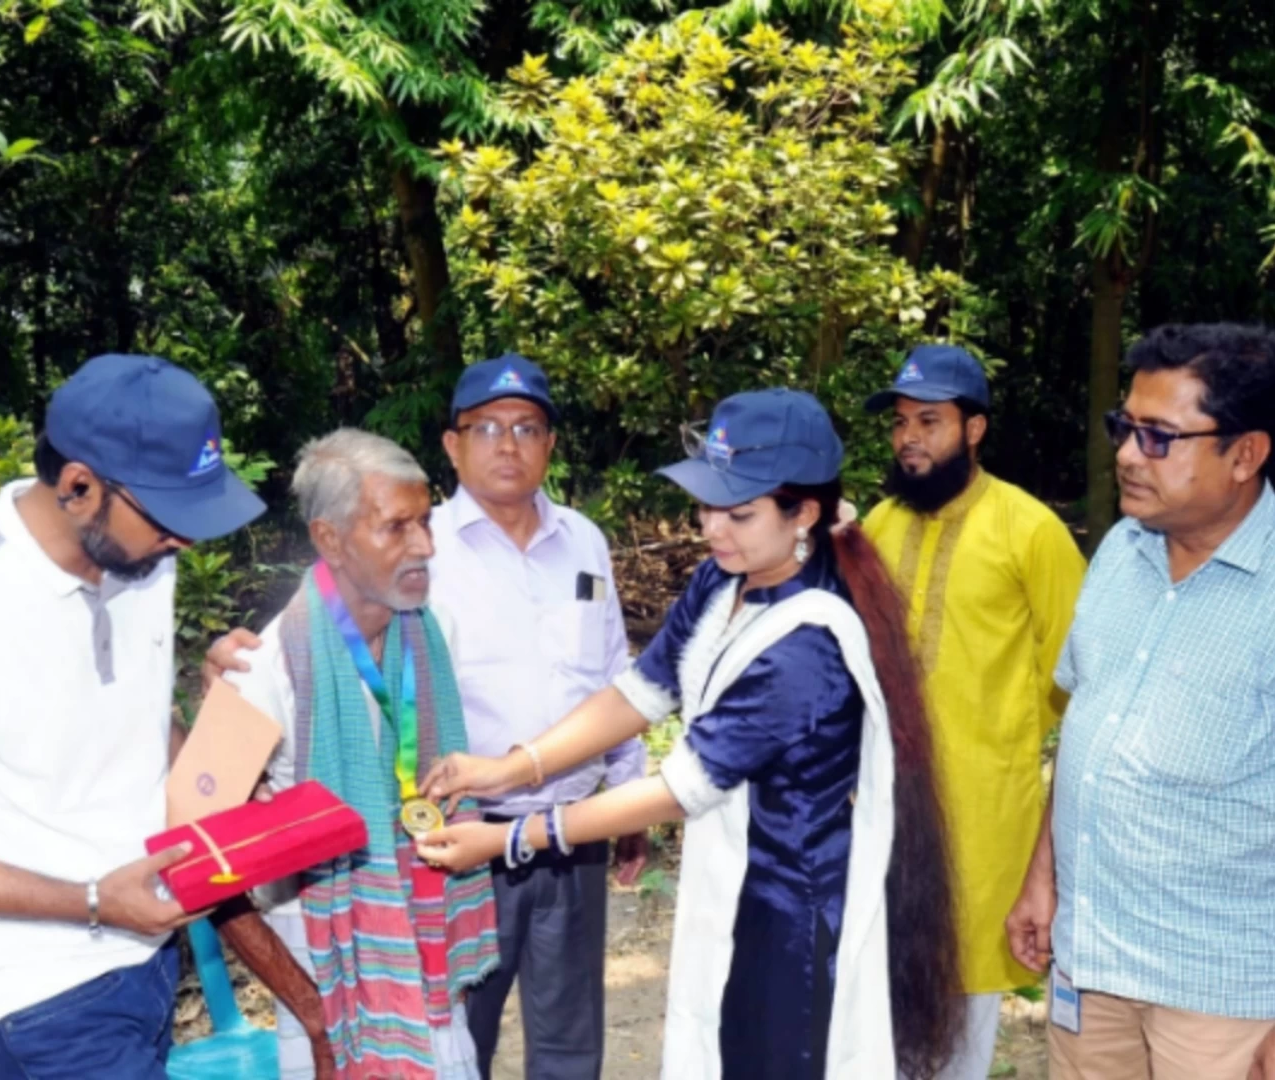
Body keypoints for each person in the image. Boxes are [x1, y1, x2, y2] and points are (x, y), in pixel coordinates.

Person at [415, 388, 963, 1080]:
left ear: (805, 513)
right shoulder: (725, 577)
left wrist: (509, 838)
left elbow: (680, 788)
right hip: (732, 878)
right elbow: (638, 693)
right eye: (705, 505)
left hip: (791, 908)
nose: (711, 528)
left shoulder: (808, 641)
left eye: (738, 513)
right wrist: (506, 768)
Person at [1004, 324, 1275, 1080]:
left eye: (1159, 437)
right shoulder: (1121, 554)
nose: (1127, 454)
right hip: (1092, 966)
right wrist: (1044, 880)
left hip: (1227, 999)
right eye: (1124, 428)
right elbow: (1092, 732)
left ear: (1245, 453)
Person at [0, 354, 266, 1078]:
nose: (185, 543)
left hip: (148, 956)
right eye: (169, 517)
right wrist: (97, 901)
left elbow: (136, 722)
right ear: (78, 486)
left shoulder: (141, 559)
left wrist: (221, 728)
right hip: (34, 997)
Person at [208, 429, 500, 1080]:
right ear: (330, 539)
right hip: (325, 965)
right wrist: (309, 1007)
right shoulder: (261, 668)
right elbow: (192, 859)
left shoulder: (432, 629)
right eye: (396, 527)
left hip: (429, 958)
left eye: (425, 521)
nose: (425, 545)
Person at [860, 345, 1086, 1080]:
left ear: (975, 428)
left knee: (958, 1022)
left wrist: (1007, 737)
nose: (909, 438)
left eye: (929, 420)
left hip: (983, 816)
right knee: (872, 999)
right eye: (900, 423)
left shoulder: (1031, 529)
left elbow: (1083, 676)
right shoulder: (877, 526)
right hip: (879, 806)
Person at [432, 354, 647, 1079]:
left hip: (570, 832)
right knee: (462, 1040)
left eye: (527, 427)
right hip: (462, 840)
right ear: (453, 444)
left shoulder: (584, 541)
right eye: (486, 427)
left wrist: (629, 799)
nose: (508, 443)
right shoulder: (420, 547)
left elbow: (617, 676)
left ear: (551, 444)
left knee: (569, 1046)